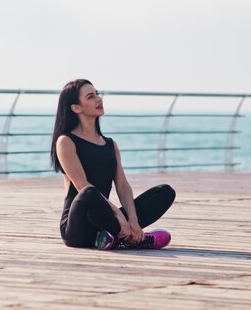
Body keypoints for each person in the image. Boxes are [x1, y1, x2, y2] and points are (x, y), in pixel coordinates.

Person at [50, 79, 176, 250]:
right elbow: (82, 186)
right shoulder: (66, 141)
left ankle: (114, 237)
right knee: (89, 192)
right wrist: (118, 216)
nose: (98, 99)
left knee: (165, 192)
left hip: (104, 220)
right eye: (90, 97)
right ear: (76, 108)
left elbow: (123, 186)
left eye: (97, 94)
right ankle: (133, 239)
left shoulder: (110, 144)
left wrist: (133, 220)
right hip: (77, 229)